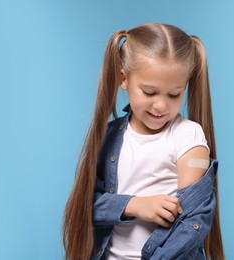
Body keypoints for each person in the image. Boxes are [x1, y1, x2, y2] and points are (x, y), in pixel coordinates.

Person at [63, 22, 224, 260]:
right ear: (123, 79)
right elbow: (85, 208)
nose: (161, 105)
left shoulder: (188, 135)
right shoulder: (108, 136)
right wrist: (134, 205)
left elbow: (193, 219)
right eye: (149, 92)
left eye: (174, 94)